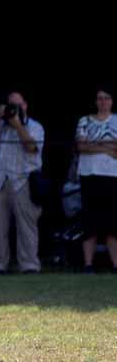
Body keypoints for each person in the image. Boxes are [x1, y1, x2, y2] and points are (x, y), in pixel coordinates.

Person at [0, 91, 45, 273]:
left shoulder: (35, 127)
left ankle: (29, 265)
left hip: (23, 180)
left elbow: (31, 147)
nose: (14, 109)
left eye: (18, 105)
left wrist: (17, 124)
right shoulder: (1, 125)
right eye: (11, 105)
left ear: (25, 106)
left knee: (27, 226)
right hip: (0, 180)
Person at [75, 87, 117, 273]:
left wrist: (95, 143)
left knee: (112, 224)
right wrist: (107, 147)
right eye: (100, 98)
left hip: (112, 176)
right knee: (89, 222)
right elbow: (81, 146)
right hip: (89, 175)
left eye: (106, 98)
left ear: (112, 101)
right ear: (95, 101)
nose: (103, 102)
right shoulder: (84, 120)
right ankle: (88, 264)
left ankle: (116, 265)